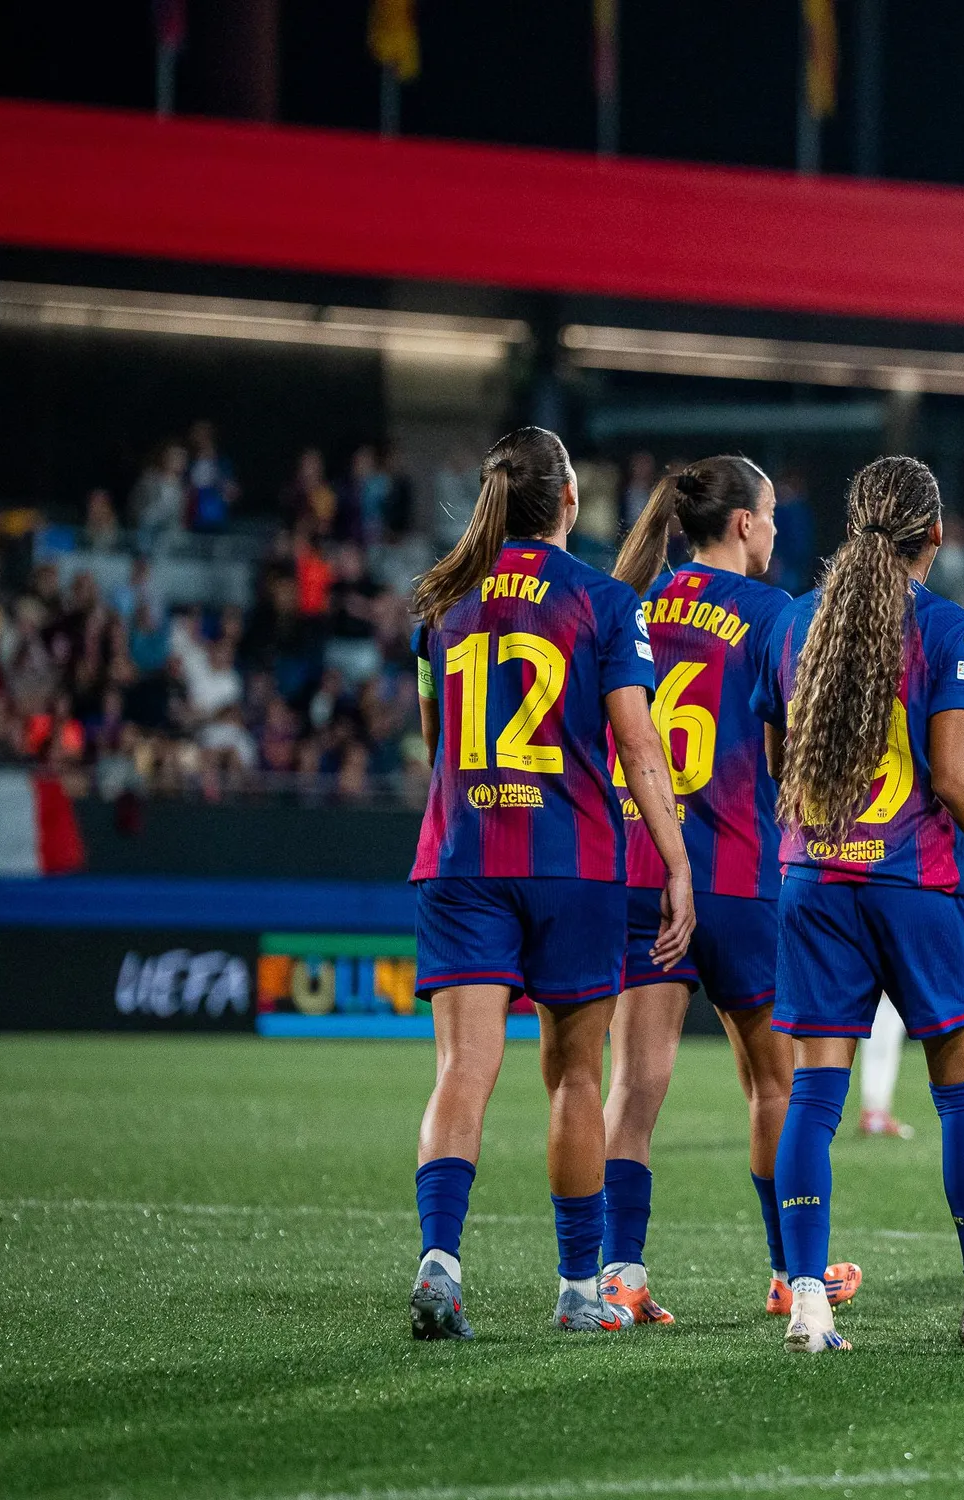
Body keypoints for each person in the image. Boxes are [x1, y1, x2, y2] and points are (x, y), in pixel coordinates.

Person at [753, 455, 964, 1352]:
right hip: (915, 886)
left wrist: (948, 737)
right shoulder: (950, 628)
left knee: (813, 1098)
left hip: (815, 880)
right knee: (963, 1095)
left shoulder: (793, 622)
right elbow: (951, 779)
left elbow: (783, 761)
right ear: (934, 535)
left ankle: (808, 1302)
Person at [402, 427, 695, 1340]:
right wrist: (676, 863)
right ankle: (576, 1289)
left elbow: (435, 740)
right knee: (574, 1075)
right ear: (570, 498)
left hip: (465, 856)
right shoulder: (604, 601)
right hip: (573, 862)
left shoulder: (442, 601)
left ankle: (440, 1264)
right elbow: (639, 747)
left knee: (462, 1069)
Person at [599, 454, 863, 1326]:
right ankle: (791, 1273)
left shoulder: (633, 603)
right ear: (745, 522)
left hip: (643, 864)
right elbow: (802, 747)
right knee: (774, 1086)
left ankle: (620, 1273)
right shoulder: (777, 613)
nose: (778, 529)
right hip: (740, 873)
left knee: (634, 1085)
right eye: (773, 514)